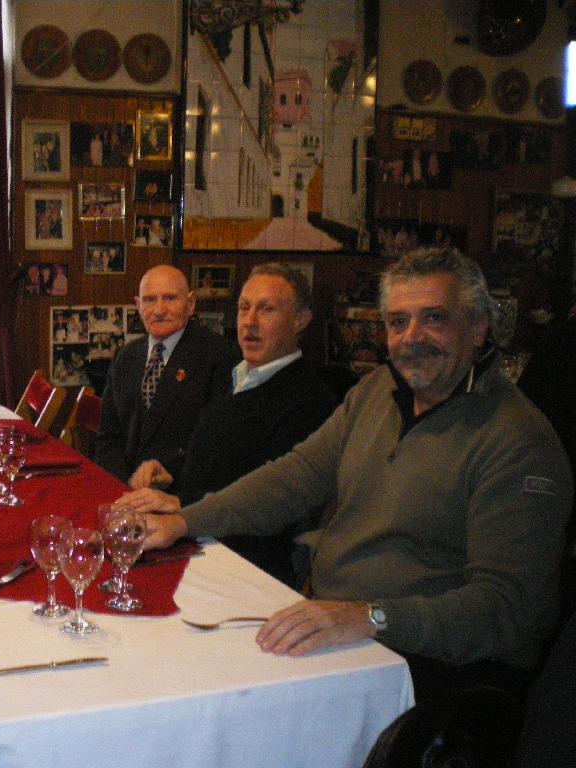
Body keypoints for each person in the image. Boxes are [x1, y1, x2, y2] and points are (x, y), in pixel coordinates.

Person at [136, 248, 573, 703]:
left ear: (478, 328)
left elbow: (509, 610)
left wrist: (371, 617)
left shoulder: (518, 441)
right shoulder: (378, 391)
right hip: (334, 624)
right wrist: (184, 521)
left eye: (434, 318)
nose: (412, 337)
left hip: (427, 668)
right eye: (398, 322)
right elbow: (295, 476)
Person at [119, 263, 336, 587]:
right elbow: (220, 456)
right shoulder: (236, 375)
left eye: (267, 310)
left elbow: (267, 501)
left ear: (301, 320)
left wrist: (181, 504)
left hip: (242, 565)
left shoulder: (310, 402)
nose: (250, 321)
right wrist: (171, 471)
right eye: (244, 308)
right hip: (193, 534)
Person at [95, 264, 235, 486]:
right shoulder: (125, 357)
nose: (159, 310)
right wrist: (124, 486)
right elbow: (108, 438)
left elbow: (218, 446)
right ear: (138, 305)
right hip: (124, 490)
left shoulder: (220, 357)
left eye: (170, 298)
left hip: (182, 492)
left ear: (190, 304)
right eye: (150, 300)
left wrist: (170, 481)